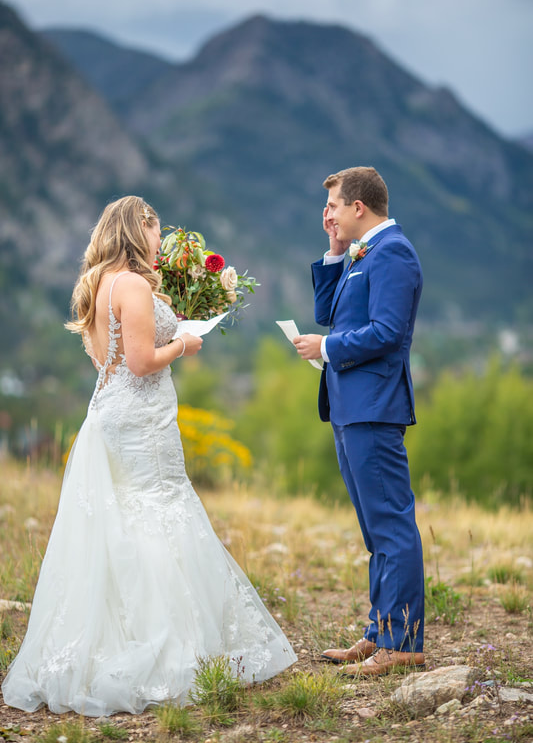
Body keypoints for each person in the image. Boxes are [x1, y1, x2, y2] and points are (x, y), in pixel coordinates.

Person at [2, 196, 296, 716]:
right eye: (156, 232)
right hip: (141, 419)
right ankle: (166, 647)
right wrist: (184, 344)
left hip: (110, 411)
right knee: (159, 510)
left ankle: (112, 638)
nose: (161, 242)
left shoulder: (96, 283)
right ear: (137, 228)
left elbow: (113, 355)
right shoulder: (133, 285)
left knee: (126, 516)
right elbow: (140, 362)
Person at [294, 167, 425, 677]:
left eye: (333, 206)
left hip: (374, 405)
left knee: (392, 523)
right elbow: (330, 311)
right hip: (350, 407)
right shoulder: (358, 252)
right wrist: (333, 252)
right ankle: (379, 632)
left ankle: (405, 641)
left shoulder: (393, 251)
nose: (326, 213)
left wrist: (325, 349)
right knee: (375, 529)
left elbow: (389, 332)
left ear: (359, 207)